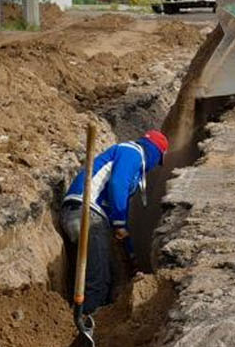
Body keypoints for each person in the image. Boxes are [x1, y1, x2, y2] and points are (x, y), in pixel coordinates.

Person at [60, 129, 168, 319]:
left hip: (80, 213)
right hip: (86, 212)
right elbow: (118, 185)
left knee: (103, 272)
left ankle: (90, 318)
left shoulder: (129, 155)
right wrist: (119, 223)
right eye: (157, 161)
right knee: (98, 278)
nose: (154, 168)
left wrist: (127, 245)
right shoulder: (132, 151)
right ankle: (89, 323)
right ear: (154, 152)